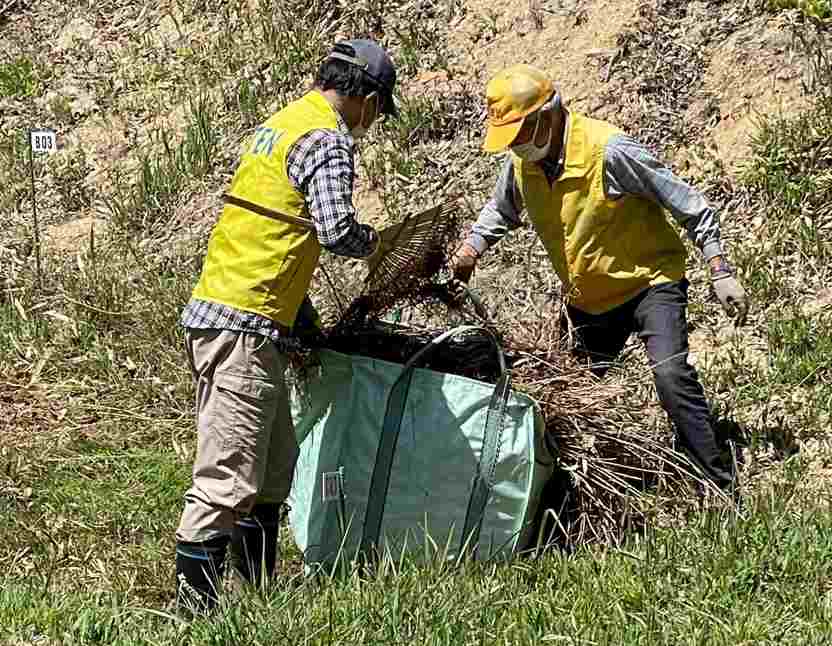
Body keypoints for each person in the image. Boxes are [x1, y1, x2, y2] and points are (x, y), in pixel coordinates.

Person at [174, 39, 397, 611]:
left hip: (242, 314)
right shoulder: (327, 139)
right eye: (377, 112)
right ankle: (196, 616)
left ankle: (258, 594)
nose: (372, 124)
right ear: (369, 99)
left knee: (273, 470)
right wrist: (379, 245)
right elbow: (335, 230)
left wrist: (301, 315)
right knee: (227, 478)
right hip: (241, 325)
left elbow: (270, 228)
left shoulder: (281, 124)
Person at [452, 64, 748, 493]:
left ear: (548, 115)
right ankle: (558, 494)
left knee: (669, 375)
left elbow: (688, 203)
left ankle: (720, 484)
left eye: (519, 133)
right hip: (589, 300)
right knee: (557, 389)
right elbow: (502, 208)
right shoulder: (522, 164)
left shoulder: (608, 151)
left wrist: (719, 269)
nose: (515, 144)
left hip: (649, 283)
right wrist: (471, 248)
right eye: (509, 137)